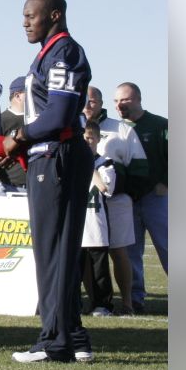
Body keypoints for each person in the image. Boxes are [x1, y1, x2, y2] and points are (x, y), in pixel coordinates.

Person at [2, 0, 95, 364]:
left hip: (57, 156)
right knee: (59, 249)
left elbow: (57, 116)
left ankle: (53, 341)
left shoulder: (63, 51)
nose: (25, 22)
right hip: (52, 156)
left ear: (54, 15)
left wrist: (19, 137)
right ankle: (74, 335)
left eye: (31, 15)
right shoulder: (49, 52)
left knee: (52, 249)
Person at [113, 82, 168, 313]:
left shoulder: (160, 125)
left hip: (156, 198)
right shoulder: (116, 129)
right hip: (130, 200)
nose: (119, 105)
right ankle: (136, 298)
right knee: (132, 251)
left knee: (168, 247)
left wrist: (166, 183)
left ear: (137, 99)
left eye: (124, 100)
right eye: (116, 101)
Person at [79, 120, 135, 317]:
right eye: (82, 138)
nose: (86, 142)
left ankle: (103, 304)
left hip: (95, 223)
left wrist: (88, 165)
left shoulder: (105, 163)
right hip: (75, 224)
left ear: (97, 139)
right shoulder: (70, 162)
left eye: (89, 138)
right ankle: (75, 303)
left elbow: (105, 187)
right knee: (74, 268)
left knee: (98, 269)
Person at [0, 77, 28, 195]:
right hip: (6, 187)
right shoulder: (0, 120)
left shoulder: (36, 121)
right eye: (31, 93)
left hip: (34, 185)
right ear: (18, 96)